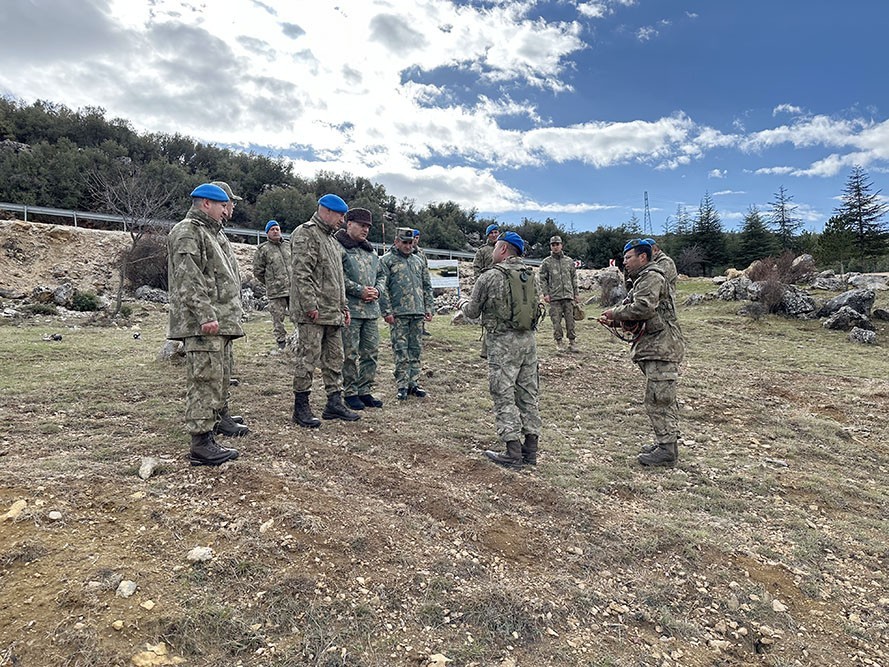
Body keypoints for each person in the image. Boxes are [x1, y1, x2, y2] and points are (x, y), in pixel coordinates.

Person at [167, 183, 243, 466]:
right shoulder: (188, 231)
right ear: (206, 204)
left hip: (218, 321)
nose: (227, 211)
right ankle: (200, 444)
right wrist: (205, 315)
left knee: (216, 378)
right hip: (203, 323)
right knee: (203, 379)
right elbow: (189, 278)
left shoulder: (209, 233)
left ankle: (210, 430)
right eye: (224, 205)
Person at [600, 238, 685, 467]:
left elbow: (643, 308)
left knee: (659, 399)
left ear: (643, 257)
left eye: (628, 257)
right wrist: (615, 320)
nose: (624, 262)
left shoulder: (651, 277)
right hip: (654, 346)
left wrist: (615, 313)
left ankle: (667, 451)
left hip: (662, 347)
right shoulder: (642, 279)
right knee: (660, 397)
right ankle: (666, 444)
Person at [459, 231, 541, 469]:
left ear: (503, 250)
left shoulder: (490, 276)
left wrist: (462, 303)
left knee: (503, 395)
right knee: (528, 395)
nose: (493, 251)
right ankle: (531, 451)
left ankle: (512, 452)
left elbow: (473, 312)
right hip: (529, 343)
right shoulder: (531, 276)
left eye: (496, 247)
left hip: (503, 344)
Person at [290, 194, 360, 427]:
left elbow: (337, 279)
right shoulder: (306, 233)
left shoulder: (331, 240)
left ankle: (334, 403)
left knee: (334, 359)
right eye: (340, 215)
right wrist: (310, 306)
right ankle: (301, 407)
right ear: (326, 211)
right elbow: (302, 273)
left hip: (333, 312)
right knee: (308, 359)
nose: (342, 220)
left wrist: (344, 307)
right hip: (314, 313)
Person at [336, 207, 386, 410]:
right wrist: (359, 291)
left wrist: (378, 291)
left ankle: (364, 390)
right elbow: (337, 277)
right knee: (349, 353)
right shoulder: (339, 247)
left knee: (371, 353)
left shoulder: (370, 251)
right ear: (349, 224)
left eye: (368, 227)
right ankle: (350, 392)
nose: (365, 230)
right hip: (351, 310)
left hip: (371, 311)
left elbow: (382, 275)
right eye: (361, 225)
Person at [210, 180, 249, 437]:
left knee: (224, 370)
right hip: (214, 314)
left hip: (225, 314)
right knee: (213, 372)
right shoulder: (205, 232)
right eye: (227, 202)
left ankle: (221, 411)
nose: (231, 207)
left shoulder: (219, 232)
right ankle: (214, 417)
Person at [381, 227, 434, 400]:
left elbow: (427, 286)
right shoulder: (387, 261)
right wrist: (387, 311)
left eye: (410, 243)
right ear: (396, 241)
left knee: (415, 349)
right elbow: (383, 288)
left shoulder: (418, 261)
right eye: (404, 242)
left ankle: (413, 383)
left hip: (417, 312)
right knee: (401, 349)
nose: (408, 246)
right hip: (399, 313)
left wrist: (429, 308)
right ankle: (402, 385)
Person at [253, 219, 292, 350]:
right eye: (272, 229)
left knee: (298, 316)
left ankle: (299, 340)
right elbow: (258, 271)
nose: (275, 231)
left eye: (277, 229)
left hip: (293, 290)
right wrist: (270, 282)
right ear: (267, 232)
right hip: (276, 292)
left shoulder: (288, 246)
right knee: (278, 319)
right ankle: (281, 343)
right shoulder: (263, 250)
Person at [538, 235, 579, 352]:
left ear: (562, 245)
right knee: (556, 322)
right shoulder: (546, 262)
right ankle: (559, 342)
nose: (555, 247)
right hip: (554, 297)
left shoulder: (569, 261)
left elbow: (573, 278)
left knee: (570, 321)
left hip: (568, 295)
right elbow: (543, 279)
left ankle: (572, 342)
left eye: (557, 244)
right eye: (553, 245)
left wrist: (576, 293)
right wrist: (545, 293)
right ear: (550, 246)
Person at [472, 223, 500, 358]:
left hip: (502, 289)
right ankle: (485, 351)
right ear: (488, 235)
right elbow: (476, 268)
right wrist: (481, 285)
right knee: (489, 321)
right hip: (487, 289)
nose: (494, 235)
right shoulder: (482, 251)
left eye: (496, 232)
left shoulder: (503, 248)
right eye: (491, 233)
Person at [412, 228, 432, 337]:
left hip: (420, 284)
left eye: (417, 238)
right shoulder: (406, 250)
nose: (415, 240)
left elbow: (425, 267)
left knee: (422, 306)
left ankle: (422, 327)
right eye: (414, 237)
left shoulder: (421, 252)